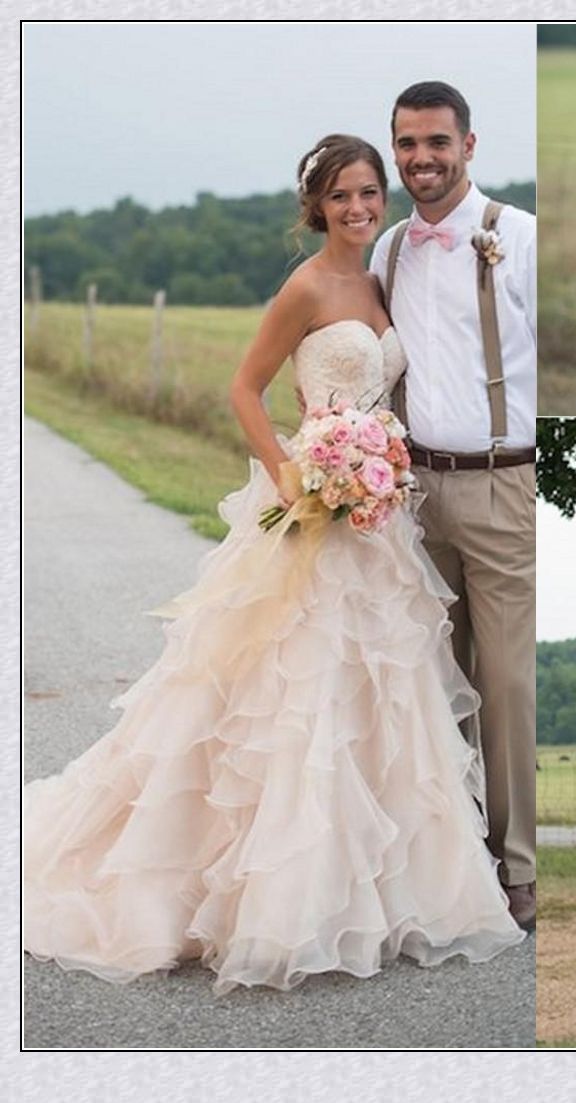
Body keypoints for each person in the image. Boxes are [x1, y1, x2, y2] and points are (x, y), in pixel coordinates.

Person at [23, 134, 524, 995]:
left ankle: (390, 881)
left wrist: (373, 470)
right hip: (314, 512)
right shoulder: (306, 286)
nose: (361, 207)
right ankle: (280, 891)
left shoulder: (380, 277)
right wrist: (299, 475)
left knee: (384, 689)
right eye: (342, 197)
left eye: (370, 192)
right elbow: (245, 388)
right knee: (296, 693)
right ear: (317, 207)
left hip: (377, 520)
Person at [370, 81, 537, 929]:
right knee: (434, 679)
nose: (421, 159)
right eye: (406, 144)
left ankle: (520, 867)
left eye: (437, 142)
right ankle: (453, 855)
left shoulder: (521, 238)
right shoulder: (388, 250)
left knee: (506, 683)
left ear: (470, 144)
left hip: (506, 481)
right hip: (413, 492)